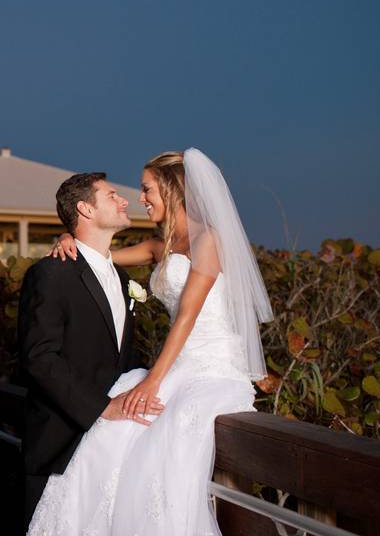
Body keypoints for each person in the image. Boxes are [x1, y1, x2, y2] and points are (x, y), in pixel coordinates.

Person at [27, 148, 273, 535]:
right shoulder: (161, 246)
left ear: (173, 189)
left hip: (210, 366)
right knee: (110, 440)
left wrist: (153, 380)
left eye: (147, 189)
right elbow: (99, 255)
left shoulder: (208, 240)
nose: (140, 198)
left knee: (167, 454)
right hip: (175, 366)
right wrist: (66, 236)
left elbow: (187, 318)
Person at [18, 172, 164, 531]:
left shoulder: (125, 280)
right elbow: (40, 358)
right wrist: (102, 408)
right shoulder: (52, 273)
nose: (124, 200)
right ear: (85, 208)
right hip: (61, 442)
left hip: (115, 444)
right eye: (112, 195)